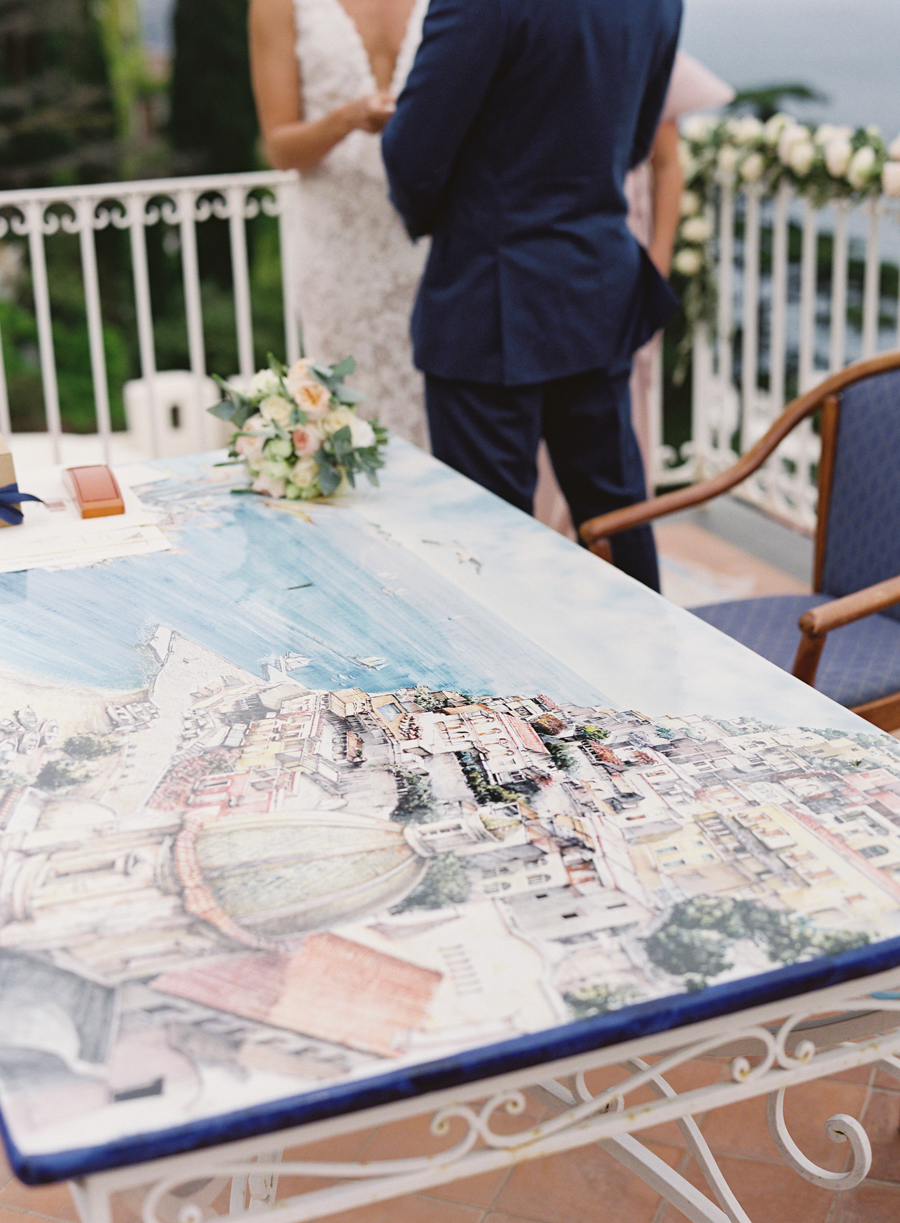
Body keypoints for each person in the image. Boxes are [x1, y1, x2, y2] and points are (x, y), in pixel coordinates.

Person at [382, 0, 682, 590]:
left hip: (490, 290)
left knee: (486, 537)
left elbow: (411, 154)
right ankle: (650, 668)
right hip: (596, 280)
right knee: (617, 514)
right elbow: (635, 141)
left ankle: (505, 684)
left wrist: (466, 222)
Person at [533, 51, 734, 538]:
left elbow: (668, 166)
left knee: (614, 416)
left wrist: (655, 272)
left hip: (620, 254)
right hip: (545, 259)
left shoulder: (635, 32)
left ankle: (605, 546)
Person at [248, 0, 431, 449]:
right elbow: (280, 149)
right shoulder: (277, 5)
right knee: (350, 427)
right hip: (339, 257)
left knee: (445, 427)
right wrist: (347, 119)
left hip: (433, 245)